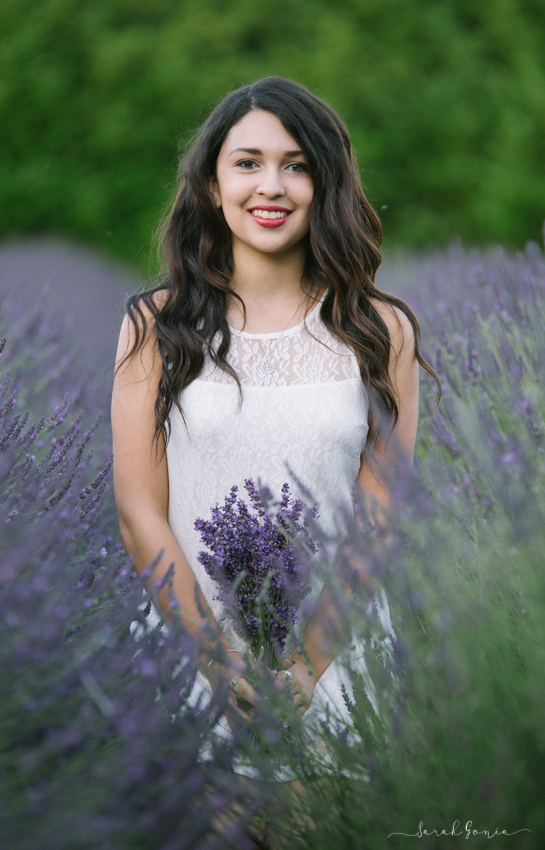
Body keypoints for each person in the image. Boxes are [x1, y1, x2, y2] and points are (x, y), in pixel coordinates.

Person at [111, 75, 438, 836]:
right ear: (211, 182)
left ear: (325, 182)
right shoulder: (154, 325)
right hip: (186, 642)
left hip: (335, 652)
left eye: (295, 164)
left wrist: (309, 665)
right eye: (247, 162)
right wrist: (217, 663)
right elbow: (138, 510)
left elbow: (382, 511)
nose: (271, 185)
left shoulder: (378, 329)